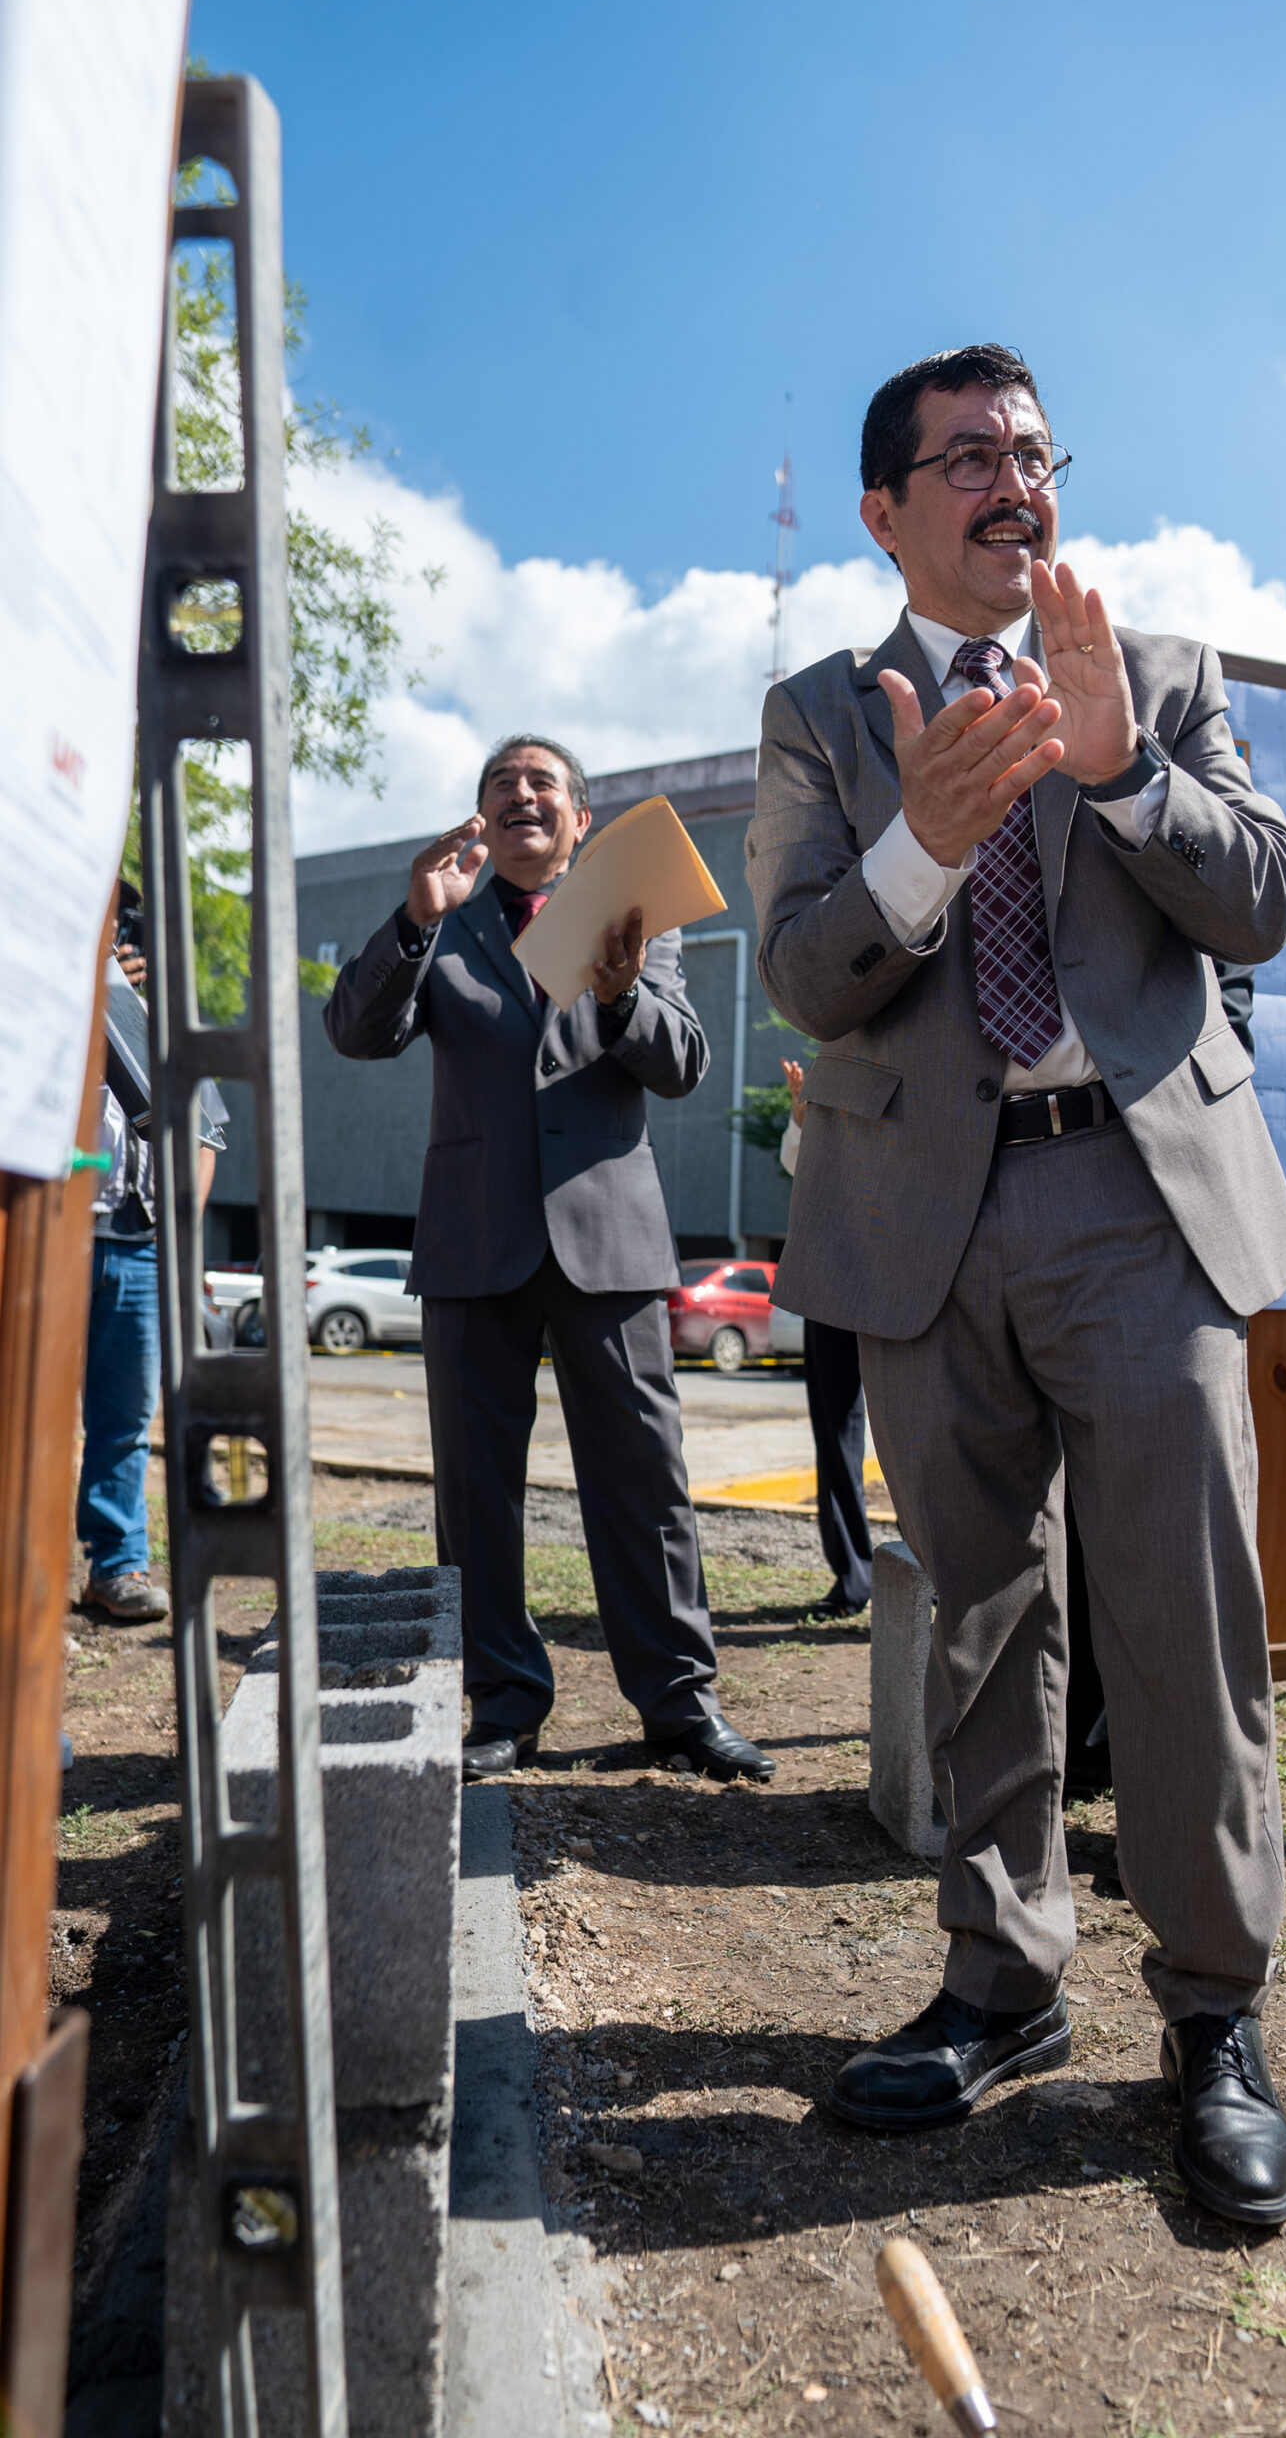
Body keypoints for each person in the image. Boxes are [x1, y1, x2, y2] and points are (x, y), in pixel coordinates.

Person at [745, 343, 1286, 2227]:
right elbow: (807, 976)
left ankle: (1213, 2018)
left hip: (1138, 1208)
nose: (1012, 482)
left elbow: (1261, 899)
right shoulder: (818, 713)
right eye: (966, 457)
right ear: (884, 507)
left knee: (1180, 1620)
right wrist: (930, 832)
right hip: (926, 1221)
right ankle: (1002, 1985)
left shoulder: (1155, 674)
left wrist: (1120, 769)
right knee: (980, 1620)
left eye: (1032, 451)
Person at [325, 736, 774, 1787]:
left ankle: (679, 1704)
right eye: (500, 785)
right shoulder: (443, 925)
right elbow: (354, 1029)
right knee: (476, 1491)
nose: (521, 796)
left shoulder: (631, 917)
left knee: (644, 1484)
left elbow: (684, 1061)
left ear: (578, 819)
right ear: (479, 821)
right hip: (474, 1244)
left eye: (542, 785)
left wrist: (620, 997)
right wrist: (415, 919)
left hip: (607, 1243)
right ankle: (504, 1700)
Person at [78, 885, 225, 1622]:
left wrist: (178, 1233)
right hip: (52, 1241)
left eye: (121, 926)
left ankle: (117, 1565)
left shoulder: (162, 1027)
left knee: (125, 1416)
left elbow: (208, 1133)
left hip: (137, 1243)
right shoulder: (41, 1005)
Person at [778, 1058, 873, 1619]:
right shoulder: (830, 1074)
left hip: (908, 1276)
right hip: (831, 1276)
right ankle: (853, 1577)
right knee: (835, 1434)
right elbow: (796, 1163)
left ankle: (936, 1573)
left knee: (924, 1435)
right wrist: (800, 1110)